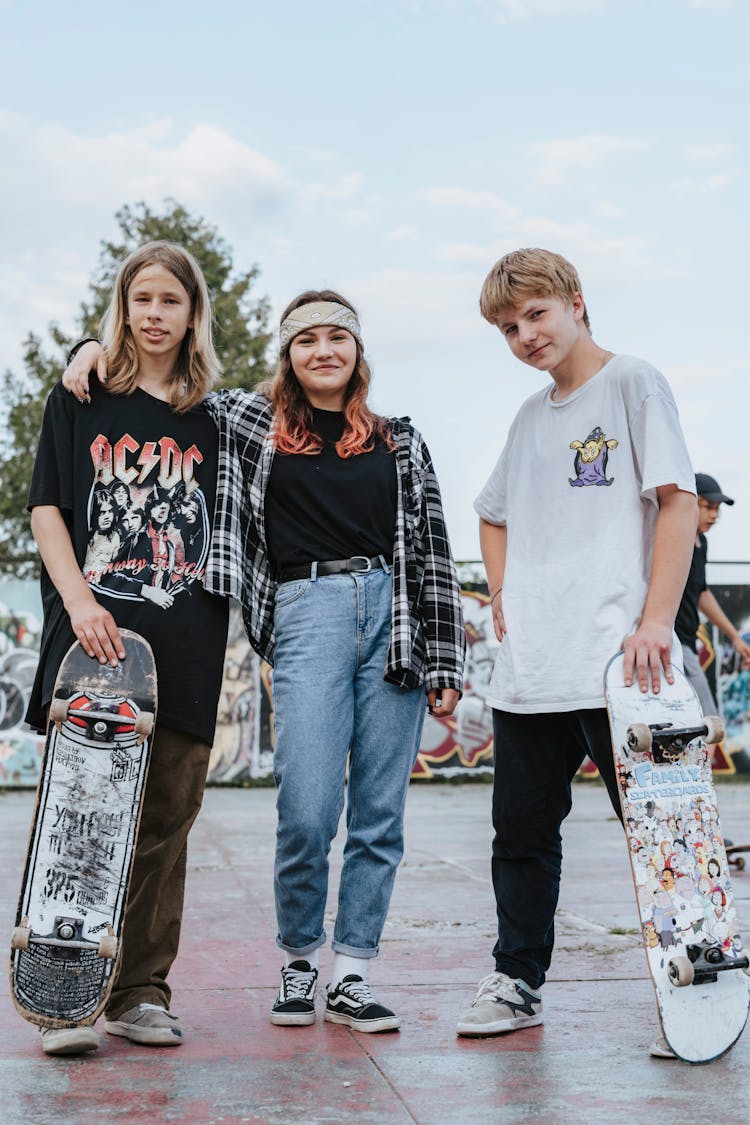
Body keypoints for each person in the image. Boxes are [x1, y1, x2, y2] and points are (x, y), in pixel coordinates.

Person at [65, 289, 466, 1034]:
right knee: (308, 806)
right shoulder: (247, 422)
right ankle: (300, 959)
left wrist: (445, 659)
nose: (324, 351)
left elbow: (434, 549)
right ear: (288, 353)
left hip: (396, 612)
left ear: (357, 351)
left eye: (337, 338)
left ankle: (352, 972)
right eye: (306, 339)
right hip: (304, 609)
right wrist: (88, 352)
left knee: (380, 812)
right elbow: (159, 395)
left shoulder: (400, 441)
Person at [454, 248, 697, 1058]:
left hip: (624, 663)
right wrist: (503, 598)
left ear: (576, 302)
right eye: (508, 327)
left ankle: (693, 982)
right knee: (521, 835)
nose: (525, 336)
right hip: (535, 671)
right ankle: (516, 982)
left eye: (536, 315)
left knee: (661, 830)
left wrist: (656, 620)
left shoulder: (633, 382)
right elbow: (491, 513)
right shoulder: (530, 419)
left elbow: (677, 500)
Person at [27, 241, 229, 1056]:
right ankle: (63, 993)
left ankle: (139, 992)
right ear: (122, 305)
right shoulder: (81, 396)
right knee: (81, 820)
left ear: (192, 314)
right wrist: (78, 602)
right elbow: (46, 508)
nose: (153, 313)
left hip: (185, 642)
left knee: (168, 822)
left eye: (170, 301)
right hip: (92, 641)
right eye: (140, 298)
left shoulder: (217, 414)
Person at [674, 472, 750, 712]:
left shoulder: (701, 543)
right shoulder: (673, 540)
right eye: (707, 507)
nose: (714, 515)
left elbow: (702, 594)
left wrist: (735, 637)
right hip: (672, 643)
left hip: (687, 641)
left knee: (702, 722)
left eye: (717, 509)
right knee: (707, 719)